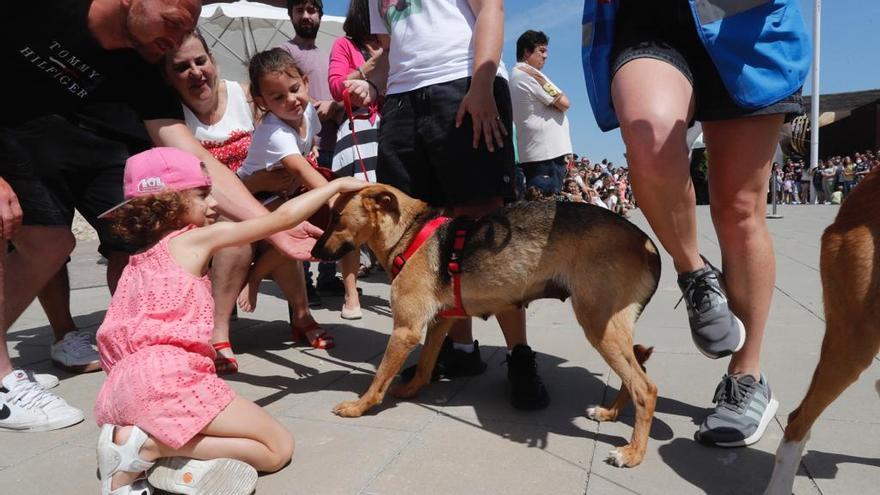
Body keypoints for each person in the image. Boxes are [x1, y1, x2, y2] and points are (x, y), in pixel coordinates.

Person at [0, 0, 321, 432]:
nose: (174, 41)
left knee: (143, 245)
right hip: (20, 132)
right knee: (48, 242)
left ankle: (141, 361)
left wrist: (277, 230)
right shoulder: (42, 10)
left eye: (186, 30)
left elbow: (188, 150)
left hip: (106, 144)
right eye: (171, 22)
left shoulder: (146, 61)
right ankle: (3, 380)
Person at [582, 0, 810, 446]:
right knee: (648, 135)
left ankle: (746, 376)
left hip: (745, 20)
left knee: (740, 209)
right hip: (645, 23)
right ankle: (694, 272)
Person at [93, 147, 365, 494]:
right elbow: (280, 220)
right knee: (276, 449)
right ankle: (148, 446)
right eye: (203, 194)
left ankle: (148, 463)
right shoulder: (193, 241)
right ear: (170, 203)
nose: (214, 204)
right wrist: (334, 186)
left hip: (121, 387)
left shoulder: (134, 264)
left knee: (226, 437)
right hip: (168, 379)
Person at [345, 0, 549, 410]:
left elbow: (491, 9)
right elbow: (394, 48)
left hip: (461, 81)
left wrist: (481, 83)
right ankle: (460, 350)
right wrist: (372, 83)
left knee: (488, 231)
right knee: (419, 238)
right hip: (402, 104)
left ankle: (519, 354)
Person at [162, 30, 309, 372]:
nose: (196, 72)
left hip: (266, 202)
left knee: (285, 225)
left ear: (213, 60)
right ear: (169, 78)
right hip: (207, 216)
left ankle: (302, 315)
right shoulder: (171, 118)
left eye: (201, 61)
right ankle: (219, 333)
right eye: (183, 67)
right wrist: (255, 181)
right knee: (235, 239)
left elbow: (289, 125)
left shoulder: (247, 99)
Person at [236, 48, 341, 349]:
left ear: (306, 82)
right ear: (263, 103)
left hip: (284, 191)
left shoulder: (307, 113)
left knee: (300, 236)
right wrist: (336, 201)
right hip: (255, 195)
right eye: (277, 97)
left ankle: (293, 308)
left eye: (294, 89)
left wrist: (313, 155)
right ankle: (258, 281)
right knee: (295, 233)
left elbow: (309, 149)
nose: (290, 100)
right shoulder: (274, 131)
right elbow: (300, 168)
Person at [281, 0, 360, 307]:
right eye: (299, 10)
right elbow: (288, 93)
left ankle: (329, 276)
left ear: (320, 15)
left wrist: (336, 105)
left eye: (311, 10)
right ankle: (304, 282)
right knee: (302, 214)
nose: (306, 16)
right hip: (302, 147)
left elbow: (340, 97)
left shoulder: (329, 54)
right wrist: (318, 105)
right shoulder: (284, 53)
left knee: (333, 214)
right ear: (291, 15)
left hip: (333, 144)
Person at [510, 30, 573, 196]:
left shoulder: (516, 74)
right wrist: (542, 80)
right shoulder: (531, 75)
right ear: (526, 51)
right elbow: (565, 103)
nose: (546, 56)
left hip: (538, 152)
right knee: (546, 209)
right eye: (542, 51)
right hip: (546, 154)